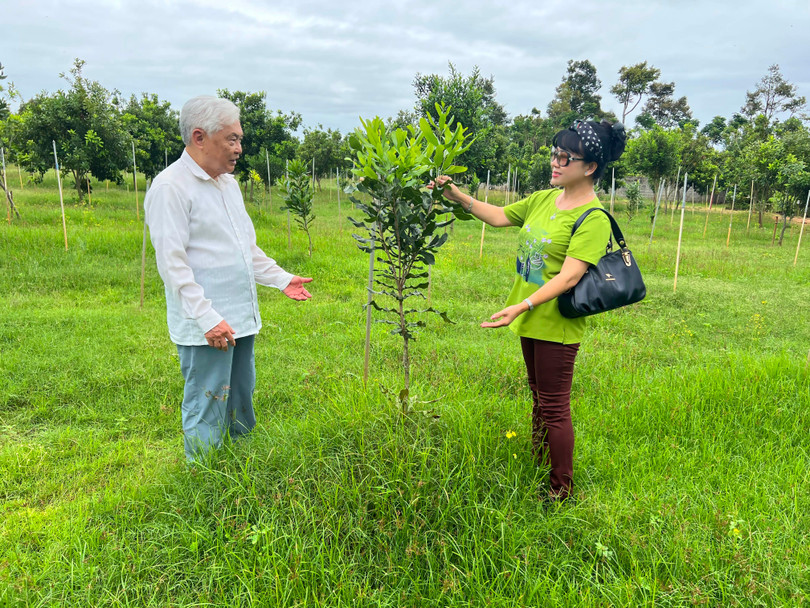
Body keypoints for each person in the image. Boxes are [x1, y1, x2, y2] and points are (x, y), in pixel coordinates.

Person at [432, 119, 626, 504]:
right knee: (538, 396)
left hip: (555, 323)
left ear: (589, 167)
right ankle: (541, 463)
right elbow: (500, 216)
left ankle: (561, 491)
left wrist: (521, 305)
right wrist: (457, 196)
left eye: (565, 157)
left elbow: (570, 277)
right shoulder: (542, 199)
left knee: (554, 407)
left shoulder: (593, 216)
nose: (554, 162)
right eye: (554, 154)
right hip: (530, 319)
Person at [145, 95, 313, 462]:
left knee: (240, 397)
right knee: (208, 400)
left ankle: (241, 469)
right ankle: (204, 480)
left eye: (239, 139)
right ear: (199, 137)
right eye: (231, 139)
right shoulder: (171, 188)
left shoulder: (227, 184)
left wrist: (282, 279)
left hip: (239, 318)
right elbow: (172, 264)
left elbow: (245, 249)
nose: (239, 148)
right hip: (207, 323)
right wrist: (207, 318)